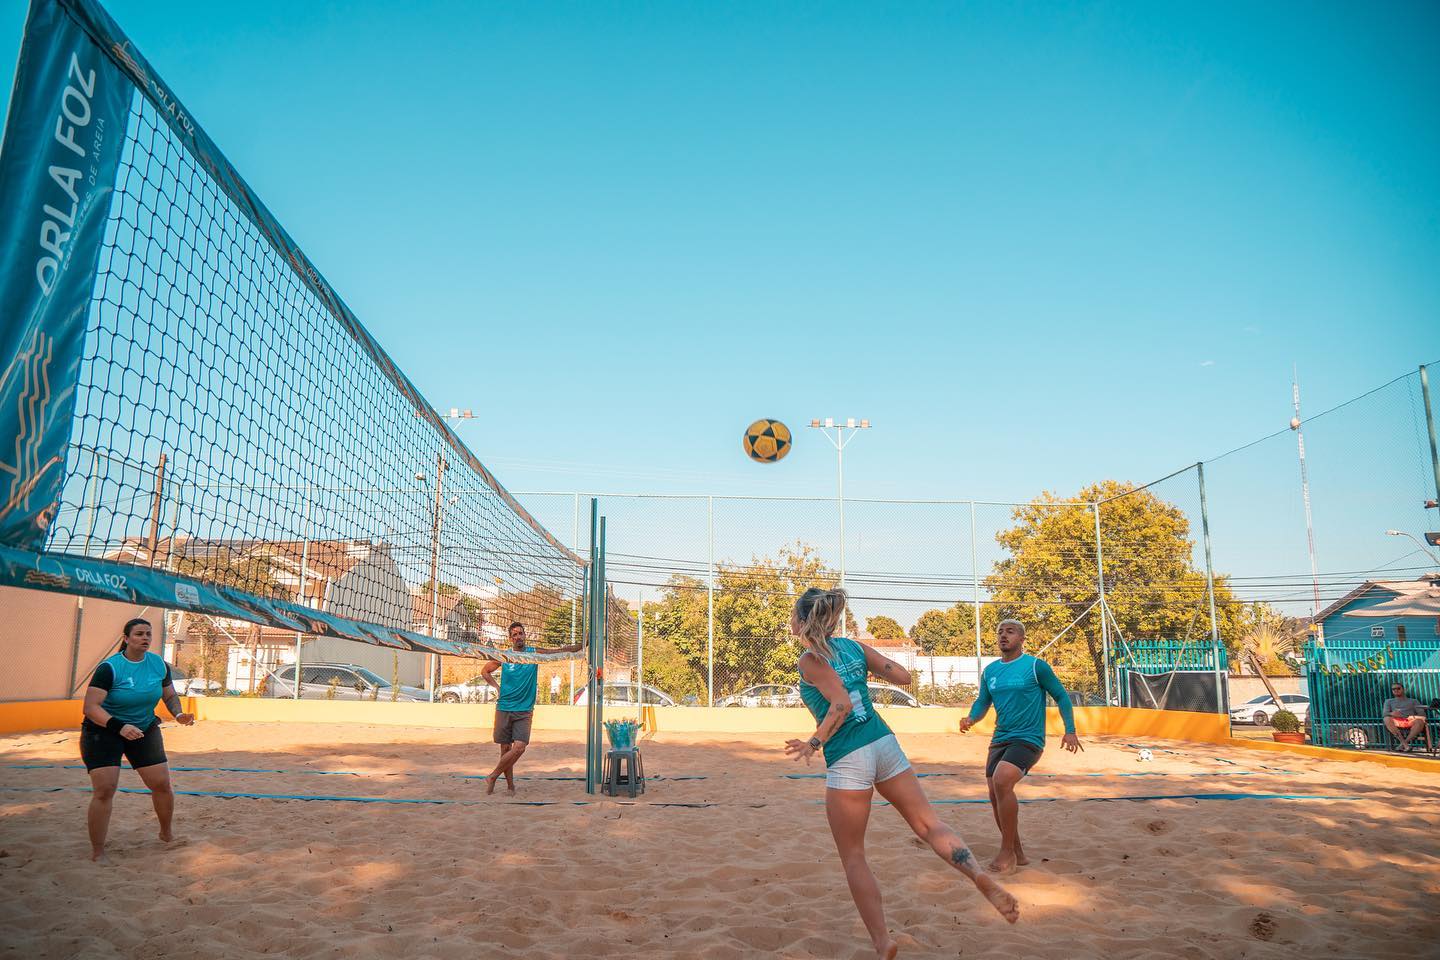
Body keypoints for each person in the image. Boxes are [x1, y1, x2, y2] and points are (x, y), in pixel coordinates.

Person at [785, 588, 1018, 959]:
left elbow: (841, 704)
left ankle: (882, 942)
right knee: (929, 825)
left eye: (793, 616)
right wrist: (869, 672)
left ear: (801, 620)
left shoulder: (810, 660)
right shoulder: (853, 647)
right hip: (884, 743)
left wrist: (813, 743)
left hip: (849, 756)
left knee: (854, 856)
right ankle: (978, 876)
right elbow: (904, 677)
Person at [958, 619, 1082, 874]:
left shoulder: (1036, 667)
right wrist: (971, 717)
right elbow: (983, 701)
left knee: (1003, 780)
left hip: (1029, 738)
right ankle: (1018, 852)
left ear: (1022, 638)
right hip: (1000, 738)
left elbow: (1061, 696)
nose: (1003, 635)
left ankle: (1007, 853)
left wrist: (1070, 730)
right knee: (994, 794)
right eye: (1000, 632)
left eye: (1010, 631)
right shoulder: (991, 671)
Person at [80, 617, 195, 861]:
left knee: (162, 784)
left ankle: (166, 834)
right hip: (104, 730)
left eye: (148, 634)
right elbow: (91, 707)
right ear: (126, 639)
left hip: (143, 727)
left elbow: (169, 695)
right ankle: (97, 852)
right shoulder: (110, 668)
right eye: (139, 634)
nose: (145, 638)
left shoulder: (157, 664)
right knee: (104, 789)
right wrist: (119, 727)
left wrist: (179, 714)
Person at [481, 621, 582, 794]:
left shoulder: (533, 653)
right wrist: (497, 688)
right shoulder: (504, 655)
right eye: (515, 634)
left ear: (525, 635)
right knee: (505, 749)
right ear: (510, 638)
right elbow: (485, 672)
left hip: (524, 709)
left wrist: (581, 645)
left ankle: (493, 776)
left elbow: (557, 651)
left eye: (521, 633)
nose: (518, 636)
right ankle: (510, 787)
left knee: (519, 747)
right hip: (504, 707)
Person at [1382, 681, 1429, 752]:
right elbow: (1385, 713)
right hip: (1396, 721)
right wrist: (1392, 714)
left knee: (1420, 721)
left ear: (1403, 689)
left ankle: (1402, 745)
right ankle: (1405, 745)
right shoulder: (1388, 701)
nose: (1396, 690)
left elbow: (1422, 714)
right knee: (1386, 719)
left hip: (1409, 720)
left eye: (1398, 688)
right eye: (1393, 689)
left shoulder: (1413, 701)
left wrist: (1412, 717)